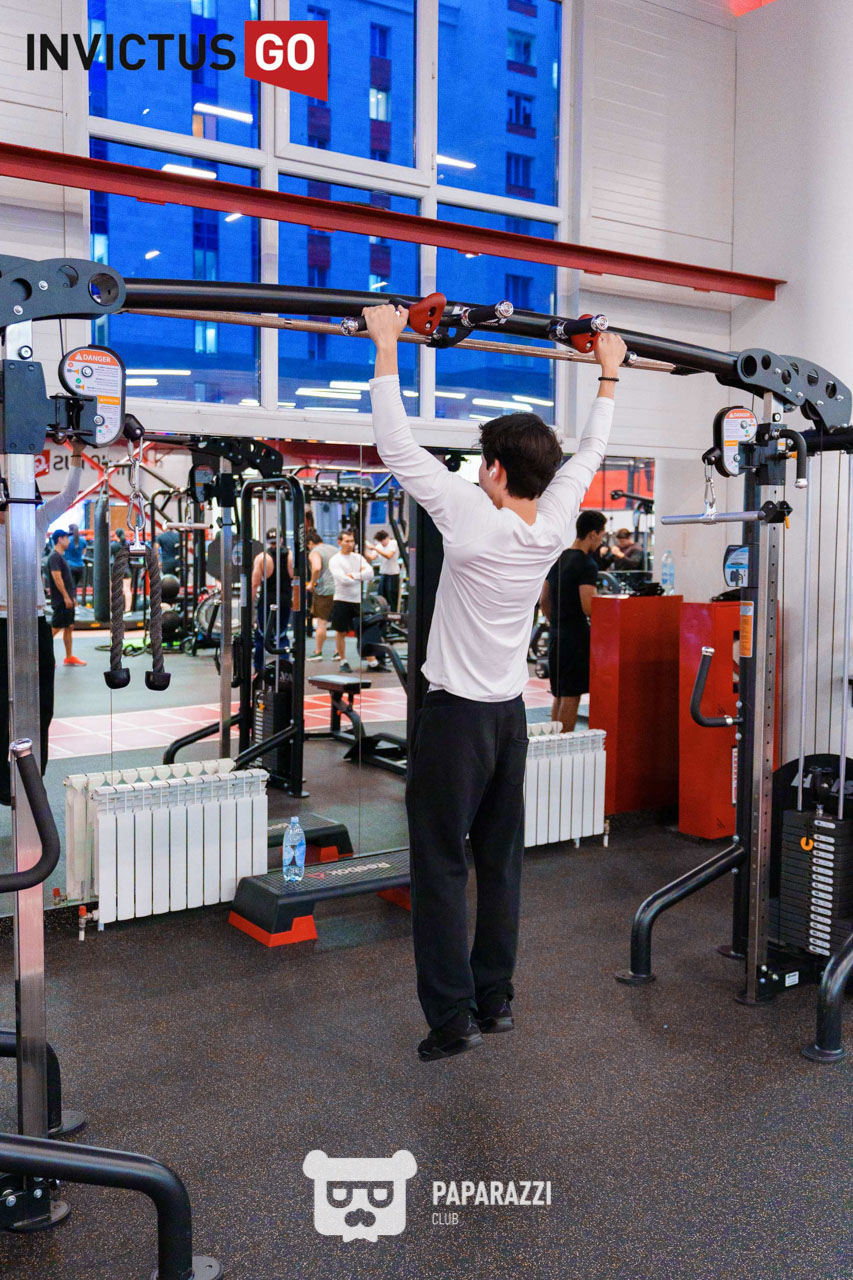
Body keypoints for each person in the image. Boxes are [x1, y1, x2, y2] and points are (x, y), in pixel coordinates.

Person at [364, 301, 625, 1062]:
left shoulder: (469, 515)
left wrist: (387, 343)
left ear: (497, 470)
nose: (477, 471)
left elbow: (395, 443)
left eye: (483, 461)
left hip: (455, 722)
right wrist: (608, 374)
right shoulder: (555, 520)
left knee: (442, 866)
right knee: (500, 862)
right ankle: (495, 1000)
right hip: (510, 721)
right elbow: (590, 452)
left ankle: (452, 1022)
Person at [0, 439, 86, 805]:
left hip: (34, 621)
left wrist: (78, 455)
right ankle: (3, 784)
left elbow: (67, 497)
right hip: (1, 622)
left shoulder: (35, 522)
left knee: (43, 704)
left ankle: (34, 776)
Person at [540, 509, 606, 733]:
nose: (601, 541)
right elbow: (588, 606)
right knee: (571, 696)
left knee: (559, 694)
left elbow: (544, 599)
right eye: (601, 536)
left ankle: (553, 744)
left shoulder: (558, 558)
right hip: (575, 638)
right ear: (592, 534)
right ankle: (564, 744)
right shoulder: (587, 565)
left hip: (557, 635)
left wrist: (556, 622)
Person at [328, 529, 373, 674]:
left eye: (352, 541)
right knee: (340, 632)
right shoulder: (335, 560)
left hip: (357, 600)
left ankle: (372, 661)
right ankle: (343, 661)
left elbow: (370, 573)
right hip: (342, 600)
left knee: (364, 630)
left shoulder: (358, 557)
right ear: (339, 542)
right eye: (347, 541)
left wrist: (353, 575)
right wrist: (360, 576)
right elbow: (343, 580)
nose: (350, 544)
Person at [251, 530, 293, 673]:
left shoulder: (262, 558)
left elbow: (254, 584)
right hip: (285, 599)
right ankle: (285, 669)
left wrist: (250, 604)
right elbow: (297, 579)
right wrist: (296, 601)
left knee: (262, 635)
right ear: (281, 540)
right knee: (281, 634)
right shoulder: (291, 556)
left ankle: (258, 668)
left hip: (268, 600)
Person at [48, 530, 86, 667]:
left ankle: (69, 657)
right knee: (54, 629)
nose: (69, 541)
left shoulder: (61, 557)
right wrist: (65, 597)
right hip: (61, 600)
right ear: (60, 539)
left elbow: (67, 580)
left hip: (68, 599)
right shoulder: (54, 557)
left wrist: (72, 597)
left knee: (69, 627)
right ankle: (45, 658)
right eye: (66, 538)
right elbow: (57, 579)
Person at [307, 529, 336, 661]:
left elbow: (317, 567)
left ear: (310, 543)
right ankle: (338, 652)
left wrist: (312, 583)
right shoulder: (334, 549)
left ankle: (318, 652)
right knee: (338, 623)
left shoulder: (315, 552)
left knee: (321, 622)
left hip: (325, 591)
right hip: (339, 589)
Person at [365, 529, 401, 610]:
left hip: (393, 574)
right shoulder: (379, 546)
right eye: (380, 541)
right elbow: (372, 557)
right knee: (381, 595)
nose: (382, 543)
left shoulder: (393, 543)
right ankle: (383, 612)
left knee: (391, 595)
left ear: (387, 538)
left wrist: (375, 549)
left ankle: (393, 612)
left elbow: (389, 556)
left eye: (383, 540)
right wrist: (364, 551)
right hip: (384, 573)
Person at [64, 523, 89, 601]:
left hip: (69, 565)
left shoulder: (67, 540)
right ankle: (75, 602)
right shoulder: (83, 540)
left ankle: (73, 602)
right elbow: (83, 553)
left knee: (71, 587)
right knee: (75, 586)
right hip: (80, 566)